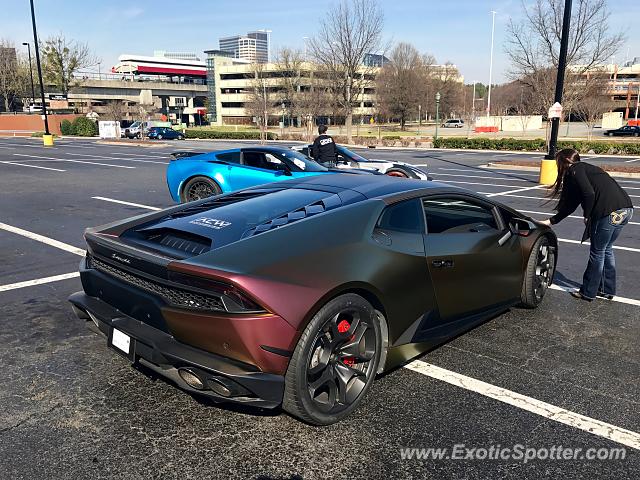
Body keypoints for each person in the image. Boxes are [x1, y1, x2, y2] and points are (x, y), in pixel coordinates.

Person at [539, 148, 633, 301]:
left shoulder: (575, 170)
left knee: (597, 252)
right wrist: (551, 221)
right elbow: (571, 204)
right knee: (606, 249)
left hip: (608, 212)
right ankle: (607, 290)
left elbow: (589, 194)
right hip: (626, 209)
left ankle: (588, 292)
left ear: (563, 162)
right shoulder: (587, 169)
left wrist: (587, 215)